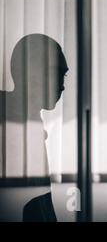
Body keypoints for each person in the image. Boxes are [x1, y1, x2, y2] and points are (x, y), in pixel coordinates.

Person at [0, 34, 68, 222]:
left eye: (64, 75)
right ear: (27, 71)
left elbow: (40, 202)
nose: (62, 86)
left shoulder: (30, 122)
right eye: (56, 73)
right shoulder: (11, 123)